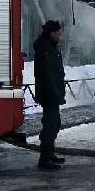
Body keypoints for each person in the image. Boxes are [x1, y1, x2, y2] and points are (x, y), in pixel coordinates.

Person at [33, 20, 66, 171]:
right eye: (58, 33)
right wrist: (55, 93)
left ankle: (49, 154)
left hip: (52, 94)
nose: (60, 36)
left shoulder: (49, 47)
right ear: (52, 33)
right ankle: (44, 159)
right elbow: (48, 75)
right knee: (50, 126)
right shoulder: (45, 49)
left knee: (54, 124)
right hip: (49, 94)